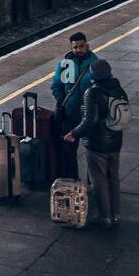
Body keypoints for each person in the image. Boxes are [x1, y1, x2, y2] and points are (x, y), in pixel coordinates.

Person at [64, 59, 128, 227]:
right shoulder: (119, 89)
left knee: (99, 180)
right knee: (113, 178)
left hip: (97, 144)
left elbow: (89, 121)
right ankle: (115, 215)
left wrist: (73, 134)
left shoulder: (92, 93)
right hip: (115, 142)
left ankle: (104, 217)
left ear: (93, 74)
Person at [51, 31, 97, 177]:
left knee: (94, 151)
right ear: (71, 48)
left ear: (87, 46)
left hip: (90, 115)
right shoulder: (65, 65)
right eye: (75, 47)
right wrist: (61, 100)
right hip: (70, 115)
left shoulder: (95, 64)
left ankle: (94, 182)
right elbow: (56, 85)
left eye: (81, 46)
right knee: (68, 151)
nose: (78, 50)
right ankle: (72, 181)